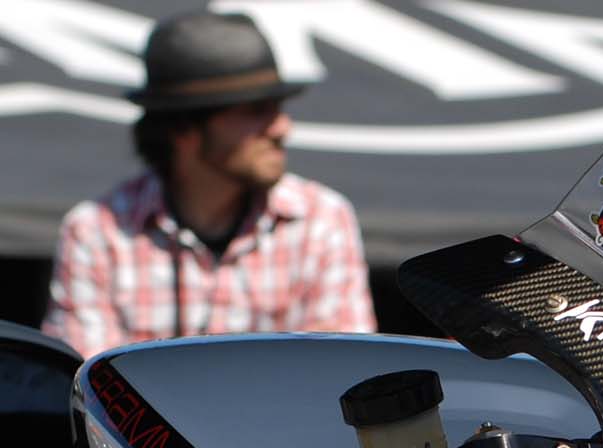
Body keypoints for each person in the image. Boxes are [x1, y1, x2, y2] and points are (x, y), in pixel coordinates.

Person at [42, 11, 375, 360]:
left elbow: (342, 371)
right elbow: (91, 384)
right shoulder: (96, 231)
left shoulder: (322, 219)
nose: (281, 128)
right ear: (182, 128)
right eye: (256, 110)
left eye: (278, 107)